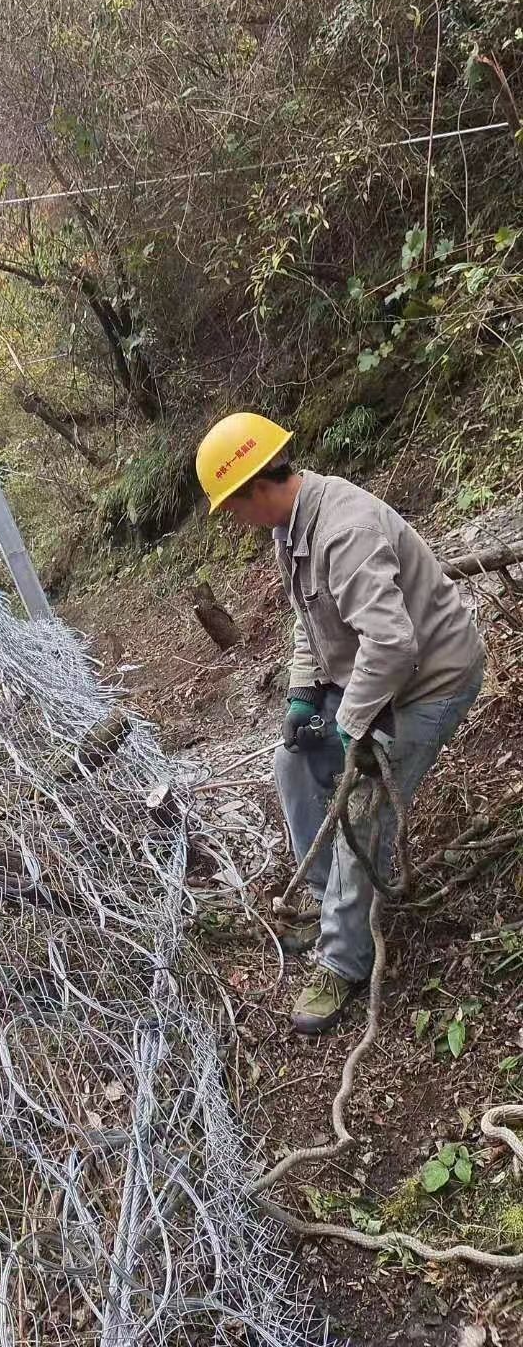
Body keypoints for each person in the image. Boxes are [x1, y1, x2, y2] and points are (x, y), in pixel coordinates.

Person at [194, 412, 484, 1035]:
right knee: (292, 761)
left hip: (428, 679)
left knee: (363, 807)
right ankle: (333, 903)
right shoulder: (293, 527)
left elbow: (395, 645)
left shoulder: (343, 529)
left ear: (257, 489)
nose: (236, 520)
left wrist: (353, 727)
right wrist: (303, 695)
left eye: (233, 507)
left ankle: (343, 961)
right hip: (371, 677)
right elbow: (310, 620)